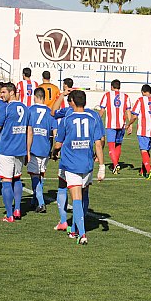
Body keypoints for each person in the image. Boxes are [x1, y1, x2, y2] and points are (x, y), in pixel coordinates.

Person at [52, 90, 106, 245]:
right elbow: (99, 143)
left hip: (71, 164)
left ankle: (81, 233)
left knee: (76, 198)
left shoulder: (67, 118)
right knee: (84, 194)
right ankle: (76, 228)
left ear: (73, 102)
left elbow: (58, 144)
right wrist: (101, 166)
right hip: (88, 163)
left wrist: (54, 152)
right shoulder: (93, 117)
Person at [0, 82, 28, 223]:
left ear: (12, 92)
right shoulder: (25, 108)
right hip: (20, 150)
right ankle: (17, 209)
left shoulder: (6, 108)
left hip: (6, 150)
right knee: (17, 179)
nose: (1, 95)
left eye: (4, 92)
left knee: (7, 181)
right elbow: (30, 131)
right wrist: (27, 150)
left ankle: (9, 215)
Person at [26, 87, 57, 213]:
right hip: (45, 148)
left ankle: (41, 202)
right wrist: (56, 149)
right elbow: (55, 132)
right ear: (44, 98)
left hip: (33, 147)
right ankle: (35, 200)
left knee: (34, 176)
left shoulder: (29, 110)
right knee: (41, 174)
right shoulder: (50, 112)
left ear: (35, 97)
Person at [125, 84, 151, 179]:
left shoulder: (140, 100)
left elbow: (134, 116)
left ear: (142, 92)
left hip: (143, 129)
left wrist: (129, 124)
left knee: (143, 150)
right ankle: (143, 171)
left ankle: (149, 170)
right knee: (146, 151)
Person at [98, 79, 131, 174]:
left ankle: (115, 164)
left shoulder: (107, 95)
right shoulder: (125, 96)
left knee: (111, 145)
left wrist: (97, 119)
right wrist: (130, 124)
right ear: (119, 87)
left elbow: (102, 110)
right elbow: (128, 110)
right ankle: (115, 164)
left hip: (111, 124)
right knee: (118, 145)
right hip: (122, 124)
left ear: (111, 87)